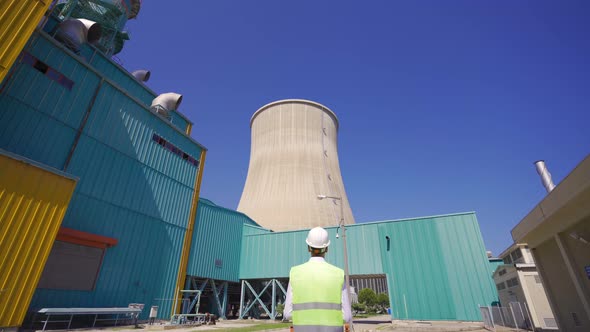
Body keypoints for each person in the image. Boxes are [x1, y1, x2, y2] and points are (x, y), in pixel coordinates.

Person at [283, 226, 352, 331]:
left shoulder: (295, 273)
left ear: (308, 247)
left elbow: (287, 314)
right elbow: (347, 316)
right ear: (327, 248)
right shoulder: (338, 274)